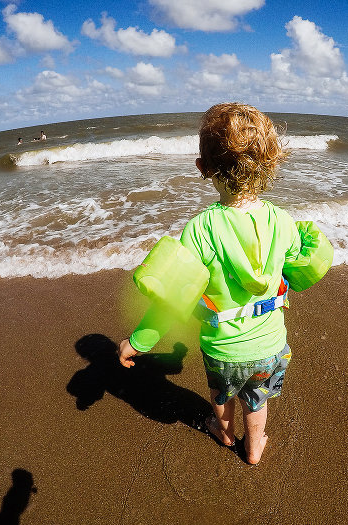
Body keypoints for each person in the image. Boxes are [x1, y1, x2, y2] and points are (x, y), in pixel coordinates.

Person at [118, 103, 306, 465]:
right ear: (271, 163)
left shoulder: (200, 229)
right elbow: (297, 265)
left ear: (203, 167)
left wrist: (139, 341)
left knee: (221, 396)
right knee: (257, 400)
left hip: (222, 347)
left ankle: (222, 432)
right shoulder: (283, 221)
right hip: (270, 343)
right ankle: (254, 447)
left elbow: (172, 299)